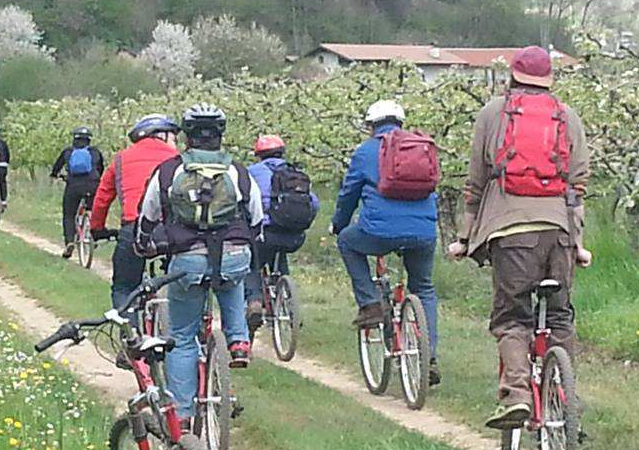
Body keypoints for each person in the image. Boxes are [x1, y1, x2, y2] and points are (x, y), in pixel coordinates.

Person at [448, 46, 591, 430]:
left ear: (512, 75)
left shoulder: (493, 113)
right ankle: (566, 400)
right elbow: (577, 186)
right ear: (549, 80)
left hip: (510, 233)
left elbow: (476, 182)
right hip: (558, 231)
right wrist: (577, 244)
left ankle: (516, 396)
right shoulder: (567, 116)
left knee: (512, 317)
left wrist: (465, 237)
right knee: (559, 316)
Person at [136, 103, 263, 425]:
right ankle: (237, 341)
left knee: (181, 334)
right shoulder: (237, 170)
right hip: (233, 254)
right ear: (221, 134)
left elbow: (148, 214)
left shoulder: (169, 170)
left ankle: (183, 413)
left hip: (187, 259)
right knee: (232, 281)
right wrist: (249, 241)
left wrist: (142, 243)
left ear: (187, 136)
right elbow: (257, 216)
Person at [330, 100, 441, 386]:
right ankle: (429, 357)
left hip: (379, 232)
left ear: (371, 126)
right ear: (401, 122)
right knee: (424, 288)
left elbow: (349, 194)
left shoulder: (366, 151)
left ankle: (370, 303)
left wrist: (339, 224)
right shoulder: (422, 148)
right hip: (423, 232)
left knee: (347, 241)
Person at [91, 113, 180, 309]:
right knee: (183, 284)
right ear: (161, 135)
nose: (175, 141)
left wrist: (97, 228)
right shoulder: (179, 159)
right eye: (173, 136)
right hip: (174, 231)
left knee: (124, 288)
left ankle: (132, 335)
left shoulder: (121, 159)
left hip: (134, 228)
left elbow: (102, 198)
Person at [245, 135, 319, 329]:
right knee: (280, 256)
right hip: (294, 236)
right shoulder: (295, 173)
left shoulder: (250, 172)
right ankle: (289, 305)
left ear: (258, 155)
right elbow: (314, 203)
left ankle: (254, 301)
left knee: (253, 262)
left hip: (264, 234)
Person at [50, 127, 105, 258]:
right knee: (94, 211)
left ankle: (69, 242)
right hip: (92, 185)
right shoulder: (95, 152)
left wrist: (55, 175)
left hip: (73, 186)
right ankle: (93, 235)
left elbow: (57, 167)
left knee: (69, 215)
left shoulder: (68, 152)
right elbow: (101, 167)